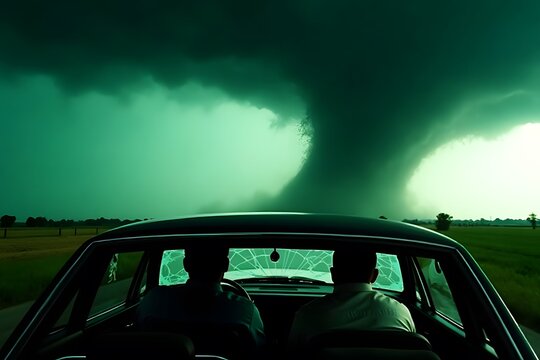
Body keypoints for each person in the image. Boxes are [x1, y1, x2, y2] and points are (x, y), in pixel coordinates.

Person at [136, 245, 265, 348]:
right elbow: (259, 354)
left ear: (186, 264)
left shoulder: (152, 302)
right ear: (226, 265)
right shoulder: (245, 312)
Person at [288, 249, 415, 346]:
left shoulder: (308, 314)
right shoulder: (400, 313)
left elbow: (294, 355)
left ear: (333, 274)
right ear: (374, 275)